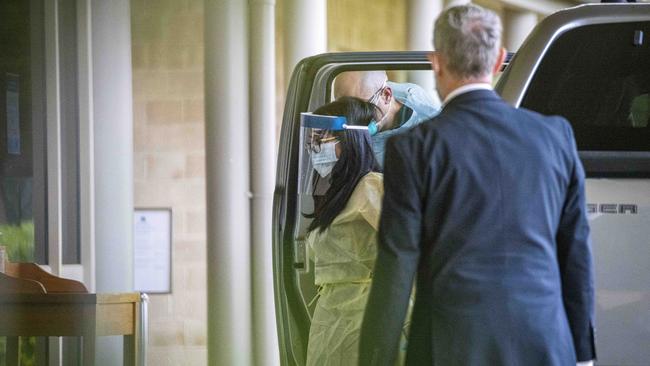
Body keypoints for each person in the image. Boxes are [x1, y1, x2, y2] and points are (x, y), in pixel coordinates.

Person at [359, 4, 596, 366]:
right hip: (544, 342)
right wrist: (582, 356)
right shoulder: (554, 136)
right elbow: (575, 254)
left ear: (436, 62)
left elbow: (397, 266)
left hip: (451, 347)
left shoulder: (413, 148)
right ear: (500, 59)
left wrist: (375, 359)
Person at [302, 97, 408, 366]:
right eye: (312, 140)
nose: (313, 148)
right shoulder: (337, 195)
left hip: (364, 319)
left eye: (321, 139)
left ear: (348, 141)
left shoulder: (371, 187)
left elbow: (411, 248)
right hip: (332, 319)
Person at [333, 71, 439, 167]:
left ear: (387, 95)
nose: (353, 117)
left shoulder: (426, 131)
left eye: (361, 109)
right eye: (344, 109)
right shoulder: (370, 92)